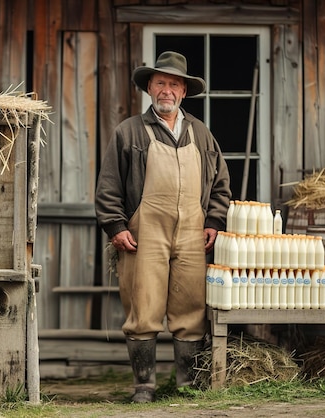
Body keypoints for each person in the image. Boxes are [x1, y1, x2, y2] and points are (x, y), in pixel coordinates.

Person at [95, 51, 231, 402]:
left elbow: (220, 184)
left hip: (192, 234)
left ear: (184, 91)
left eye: (173, 84)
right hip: (144, 233)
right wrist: (115, 226)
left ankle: (186, 385)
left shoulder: (201, 134)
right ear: (149, 88)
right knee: (144, 305)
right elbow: (108, 184)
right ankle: (144, 386)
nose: (166, 90)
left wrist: (214, 221)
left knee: (191, 307)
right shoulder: (129, 132)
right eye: (160, 83)